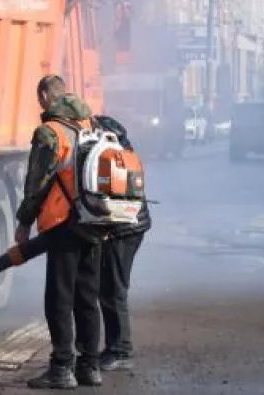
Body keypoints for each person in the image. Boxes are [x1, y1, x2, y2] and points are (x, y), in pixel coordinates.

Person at [15, 74, 104, 390]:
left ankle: (62, 368)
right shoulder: (90, 126)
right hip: (95, 222)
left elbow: (37, 183)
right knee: (87, 297)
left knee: (59, 298)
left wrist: (24, 221)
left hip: (64, 224)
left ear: (43, 96)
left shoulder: (50, 132)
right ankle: (90, 367)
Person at [89, 114, 151, 372]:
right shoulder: (123, 154)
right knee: (110, 289)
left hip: (123, 232)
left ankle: (121, 350)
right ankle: (115, 348)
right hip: (128, 230)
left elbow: (114, 206)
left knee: (113, 290)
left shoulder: (113, 160)